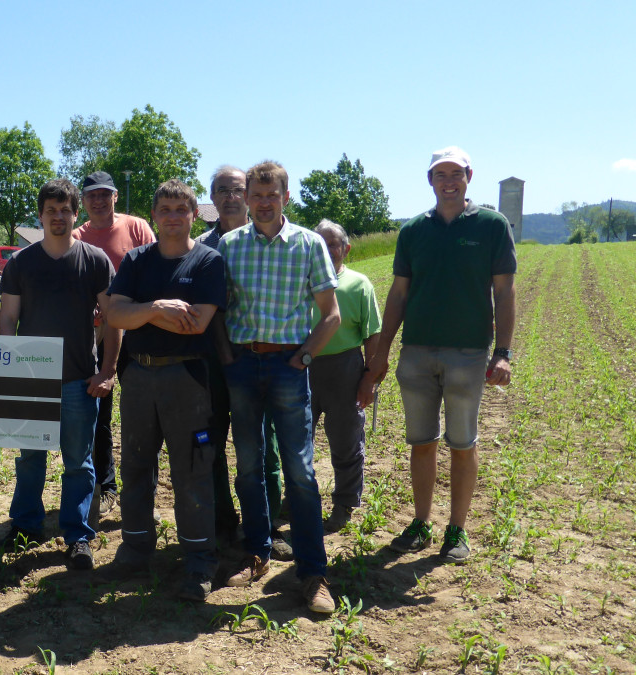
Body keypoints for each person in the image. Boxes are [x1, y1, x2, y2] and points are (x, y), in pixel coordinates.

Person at [365, 146, 516, 563]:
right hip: (416, 353)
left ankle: (457, 530)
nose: (448, 181)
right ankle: (420, 523)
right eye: (440, 174)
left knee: (462, 443)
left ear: (469, 175)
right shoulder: (414, 230)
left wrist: (502, 353)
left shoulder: (491, 225)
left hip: (468, 353)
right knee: (421, 442)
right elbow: (398, 293)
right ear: (430, 180)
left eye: (455, 173)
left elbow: (504, 291)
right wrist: (381, 353)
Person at [217, 161, 339, 614]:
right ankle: (258, 553)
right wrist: (227, 355)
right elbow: (216, 309)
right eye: (257, 195)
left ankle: (312, 571)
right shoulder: (229, 246)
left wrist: (304, 357)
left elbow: (330, 315)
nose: (264, 203)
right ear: (245, 198)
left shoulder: (308, 245)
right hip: (243, 364)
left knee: (301, 472)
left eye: (273, 195)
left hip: (289, 365)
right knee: (249, 465)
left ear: (285, 197)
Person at [106, 179, 225, 601]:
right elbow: (112, 313)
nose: (173, 216)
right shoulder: (137, 259)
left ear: (195, 214)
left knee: (192, 470)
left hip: (187, 379)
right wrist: (157, 308)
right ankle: (136, 547)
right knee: (135, 465)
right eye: (165, 209)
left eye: (181, 209)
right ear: (154, 215)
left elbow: (198, 322)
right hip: (138, 376)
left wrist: (137, 312)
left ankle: (198, 560)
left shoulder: (208, 262)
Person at [0, 178, 117, 570]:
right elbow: (8, 319)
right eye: (51, 210)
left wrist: (107, 371)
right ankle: (26, 525)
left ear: (75, 214)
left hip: (79, 381)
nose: (58, 217)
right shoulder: (20, 264)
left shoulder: (95, 261)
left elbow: (113, 322)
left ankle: (77, 535)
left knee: (79, 463)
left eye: (65, 210)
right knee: (30, 458)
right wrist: (9, 371)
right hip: (31, 382)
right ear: (41, 215)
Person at [196, 166, 290, 559]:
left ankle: (269, 524)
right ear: (212, 198)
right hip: (211, 363)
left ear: (248, 194)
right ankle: (222, 522)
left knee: (263, 446)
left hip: (257, 361)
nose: (230, 196)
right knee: (210, 443)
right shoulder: (198, 246)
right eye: (222, 190)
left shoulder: (268, 240)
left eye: (237, 189)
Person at [72, 171, 155, 517]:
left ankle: (143, 491)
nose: (98, 200)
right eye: (91, 195)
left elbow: (154, 271)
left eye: (104, 194)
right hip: (97, 332)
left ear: (115, 196)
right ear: (84, 201)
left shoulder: (136, 228)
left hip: (138, 329)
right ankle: (106, 487)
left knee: (142, 413)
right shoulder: (78, 236)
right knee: (99, 412)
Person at [308, 219, 382, 534]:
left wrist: (369, 379)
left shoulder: (359, 284)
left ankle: (344, 503)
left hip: (345, 369)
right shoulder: (300, 282)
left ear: (345, 249)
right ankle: (297, 499)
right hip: (304, 366)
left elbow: (373, 336)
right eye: (319, 244)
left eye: (332, 244)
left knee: (347, 440)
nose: (326, 250)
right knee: (296, 439)